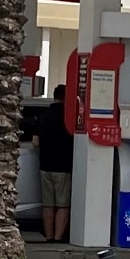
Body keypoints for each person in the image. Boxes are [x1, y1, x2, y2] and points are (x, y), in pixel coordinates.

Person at [30, 86, 73, 244]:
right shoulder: (68, 118)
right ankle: (57, 238)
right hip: (63, 167)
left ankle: (48, 237)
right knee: (62, 205)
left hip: (45, 165)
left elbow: (35, 142)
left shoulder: (43, 116)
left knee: (48, 205)